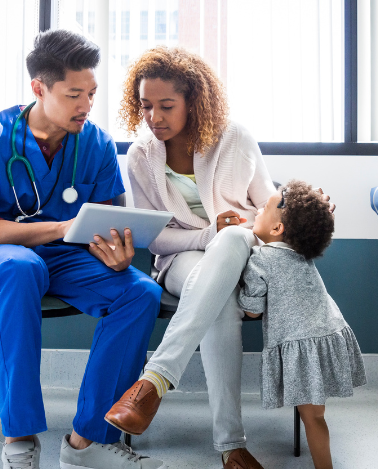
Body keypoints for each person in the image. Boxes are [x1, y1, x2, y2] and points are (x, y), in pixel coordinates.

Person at [0, 30, 165, 469]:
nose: (86, 105)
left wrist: (114, 252)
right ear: (39, 89)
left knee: (140, 293)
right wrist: (60, 227)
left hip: (65, 257)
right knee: (18, 268)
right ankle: (19, 439)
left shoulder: (96, 143)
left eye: (92, 93)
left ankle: (88, 443)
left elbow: (104, 223)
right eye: (74, 94)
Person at [105, 46, 331, 469]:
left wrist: (308, 207)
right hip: (180, 263)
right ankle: (231, 447)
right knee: (221, 272)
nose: (154, 117)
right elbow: (157, 241)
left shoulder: (235, 139)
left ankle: (152, 382)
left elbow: (270, 206)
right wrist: (212, 233)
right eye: (146, 106)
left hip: (246, 259)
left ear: (194, 100)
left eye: (166, 106)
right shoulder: (140, 156)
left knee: (231, 248)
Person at [238, 180, 367, 469]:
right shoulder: (300, 253)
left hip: (302, 343)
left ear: (277, 229)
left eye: (264, 208)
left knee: (311, 417)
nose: (257, 210)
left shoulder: (261, 259)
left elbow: (254, 311)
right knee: (316, 417)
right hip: (328, 333)